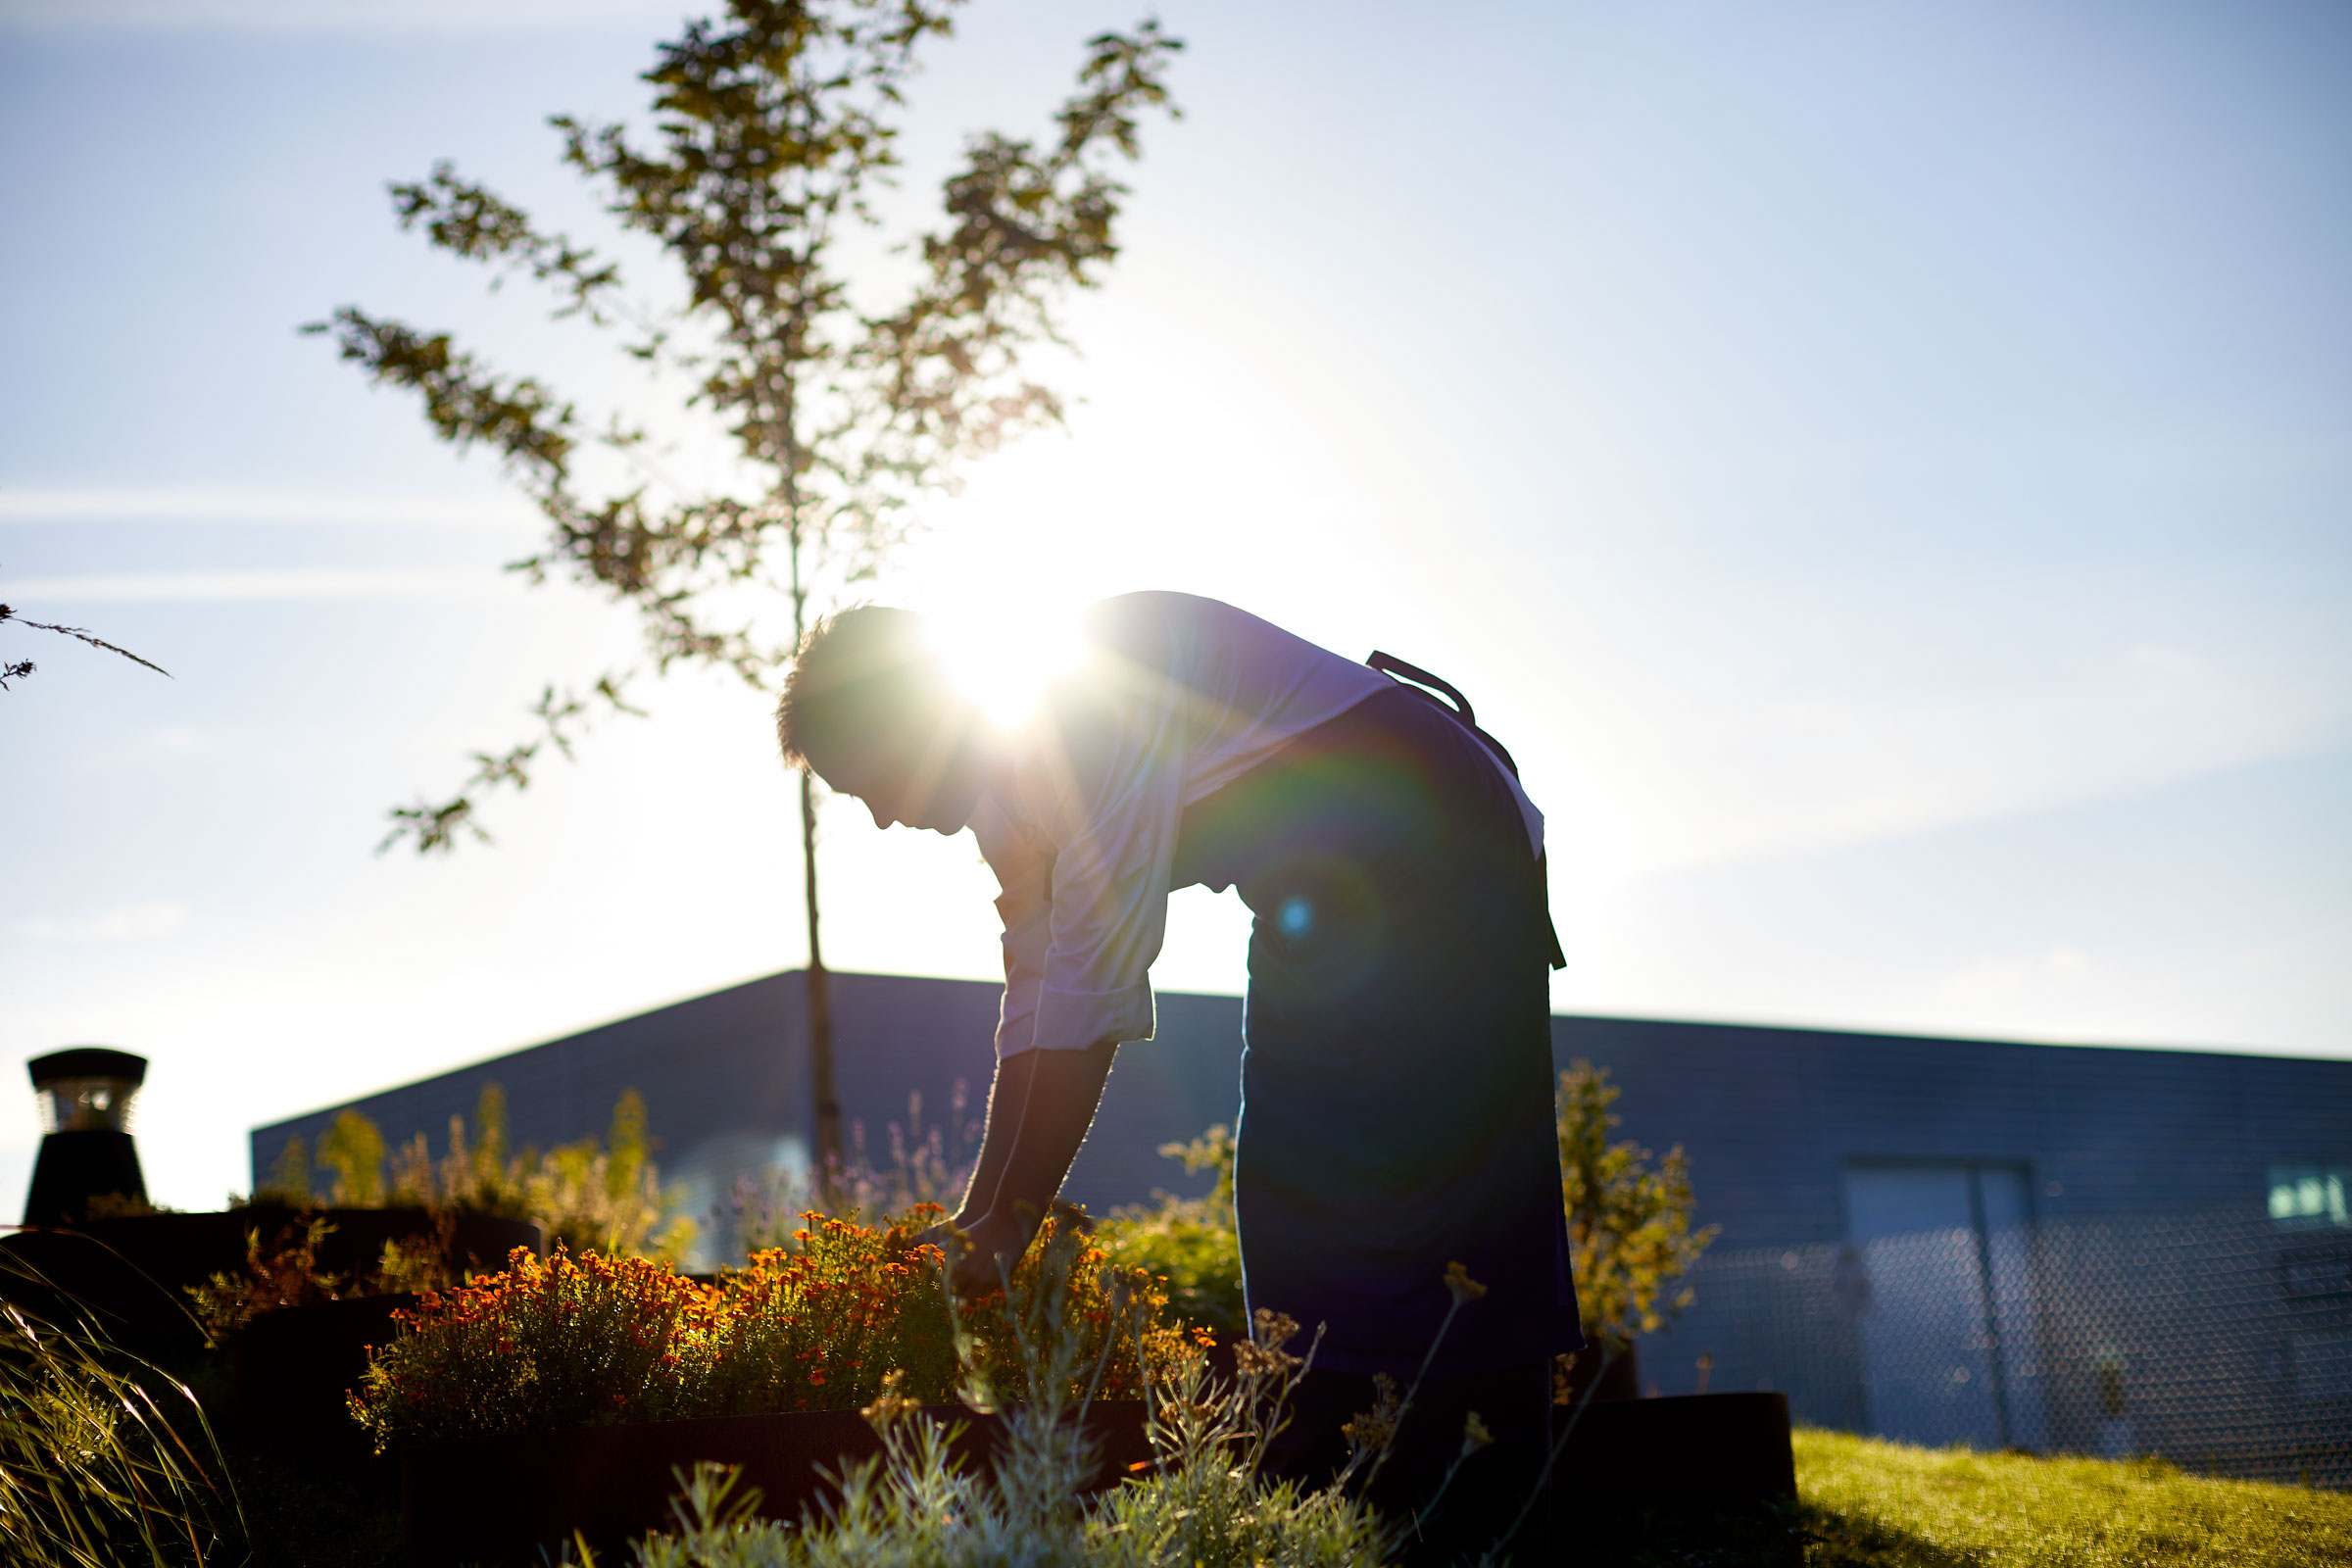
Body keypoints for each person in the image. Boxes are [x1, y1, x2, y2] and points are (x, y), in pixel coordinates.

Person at [774, 590, 1580, 1559]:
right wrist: (979, 1215)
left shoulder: (1076, 713)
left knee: (1459, 1186)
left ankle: (1490, 1521)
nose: (877, 818)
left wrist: (1015, 1221)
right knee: (1294, 1177)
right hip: (1316, 896)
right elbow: (1032, 1008)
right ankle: (1334, 1519)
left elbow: (1090, 1005)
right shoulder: (1010, 810)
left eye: (863, 782)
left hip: (1444, 837)